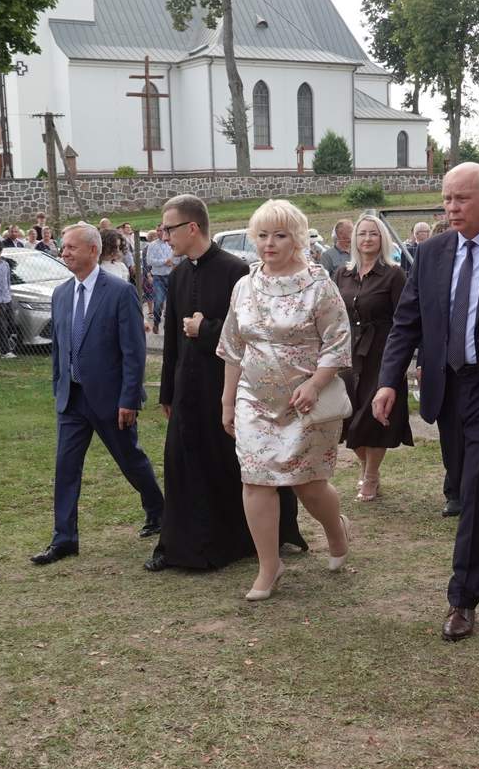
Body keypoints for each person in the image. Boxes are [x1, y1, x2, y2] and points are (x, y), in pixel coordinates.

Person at [374, 162, 479, 641]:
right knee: (465, 486)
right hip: (447, 386)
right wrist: (388, 381)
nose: (451, 208)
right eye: (447, 199)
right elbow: (408, 321)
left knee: (478, 488)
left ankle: (462, 598)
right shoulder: (430, 253)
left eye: (462, 198)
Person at [145, 194, 305, 573]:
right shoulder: (178, 275)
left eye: (169, 229)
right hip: (188, 389)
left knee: (231, 465)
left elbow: (254, 336)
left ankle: (241, 540)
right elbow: (172, 343)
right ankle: (181, 544)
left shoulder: (236, 272)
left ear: (192, 228)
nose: (164, 236)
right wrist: (168, 391)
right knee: (183, 465)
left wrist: (205, 330)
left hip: (228, 387)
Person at [217, 199, 353, 600]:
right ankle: (269, 565)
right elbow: (233, 348)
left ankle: (336, 530)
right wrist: (228, 402)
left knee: (309, 486)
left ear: (296, 238)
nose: (269, 243)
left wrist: (314, 385)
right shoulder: (244, 285)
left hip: (304, 404)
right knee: (255, 481)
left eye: (279, 235)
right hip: (254, 401)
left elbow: (338, 343)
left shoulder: (318, 285)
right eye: (262, 235)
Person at [31, 222, 164, 565]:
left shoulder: (119, 292)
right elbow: (60, 347)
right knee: (66, 467)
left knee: (130, 459)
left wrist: (129, 398)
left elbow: (133, 351)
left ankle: (158, 510)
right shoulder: (61, 294)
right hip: (72, 399)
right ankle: (64, 539)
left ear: (93, 250)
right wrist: (59, 386)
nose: (64, 253)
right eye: (63, 247)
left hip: (111, 399)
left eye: (71, 247)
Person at [334, 214, 413, 501]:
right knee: (350, 416)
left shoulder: (394, 274)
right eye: (362, 233)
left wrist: (402, 360)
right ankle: (365, 467)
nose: (367, 239)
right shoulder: (342, 273)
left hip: (382, 352)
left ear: (382, 239)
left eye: (373, 234)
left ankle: (370, 476)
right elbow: (334, 313)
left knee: (373, 416)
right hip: (349, 353)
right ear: (354, 239)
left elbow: (404, 319)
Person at [146, 227, 176, 334]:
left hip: (172, 276)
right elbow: (149, 261)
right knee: (158, 301)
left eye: (161, 230)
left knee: (171, 303)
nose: (159, 232)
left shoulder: (172, 243)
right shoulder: (152, 245)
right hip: (158, 277)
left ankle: (168, 326)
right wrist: (164, 261)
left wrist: (173, 262)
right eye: (157, 230)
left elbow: (177, 257)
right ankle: (156, 322)